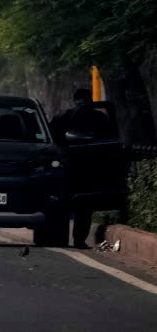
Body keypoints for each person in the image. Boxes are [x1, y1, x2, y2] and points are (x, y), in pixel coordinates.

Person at [50, 88, 114, 248]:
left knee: (80, 207)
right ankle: (74, 239)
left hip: (77, 167)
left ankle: (73, 239)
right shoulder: (69, 117)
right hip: (77, 167)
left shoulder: (67, 117)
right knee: (78, 207)